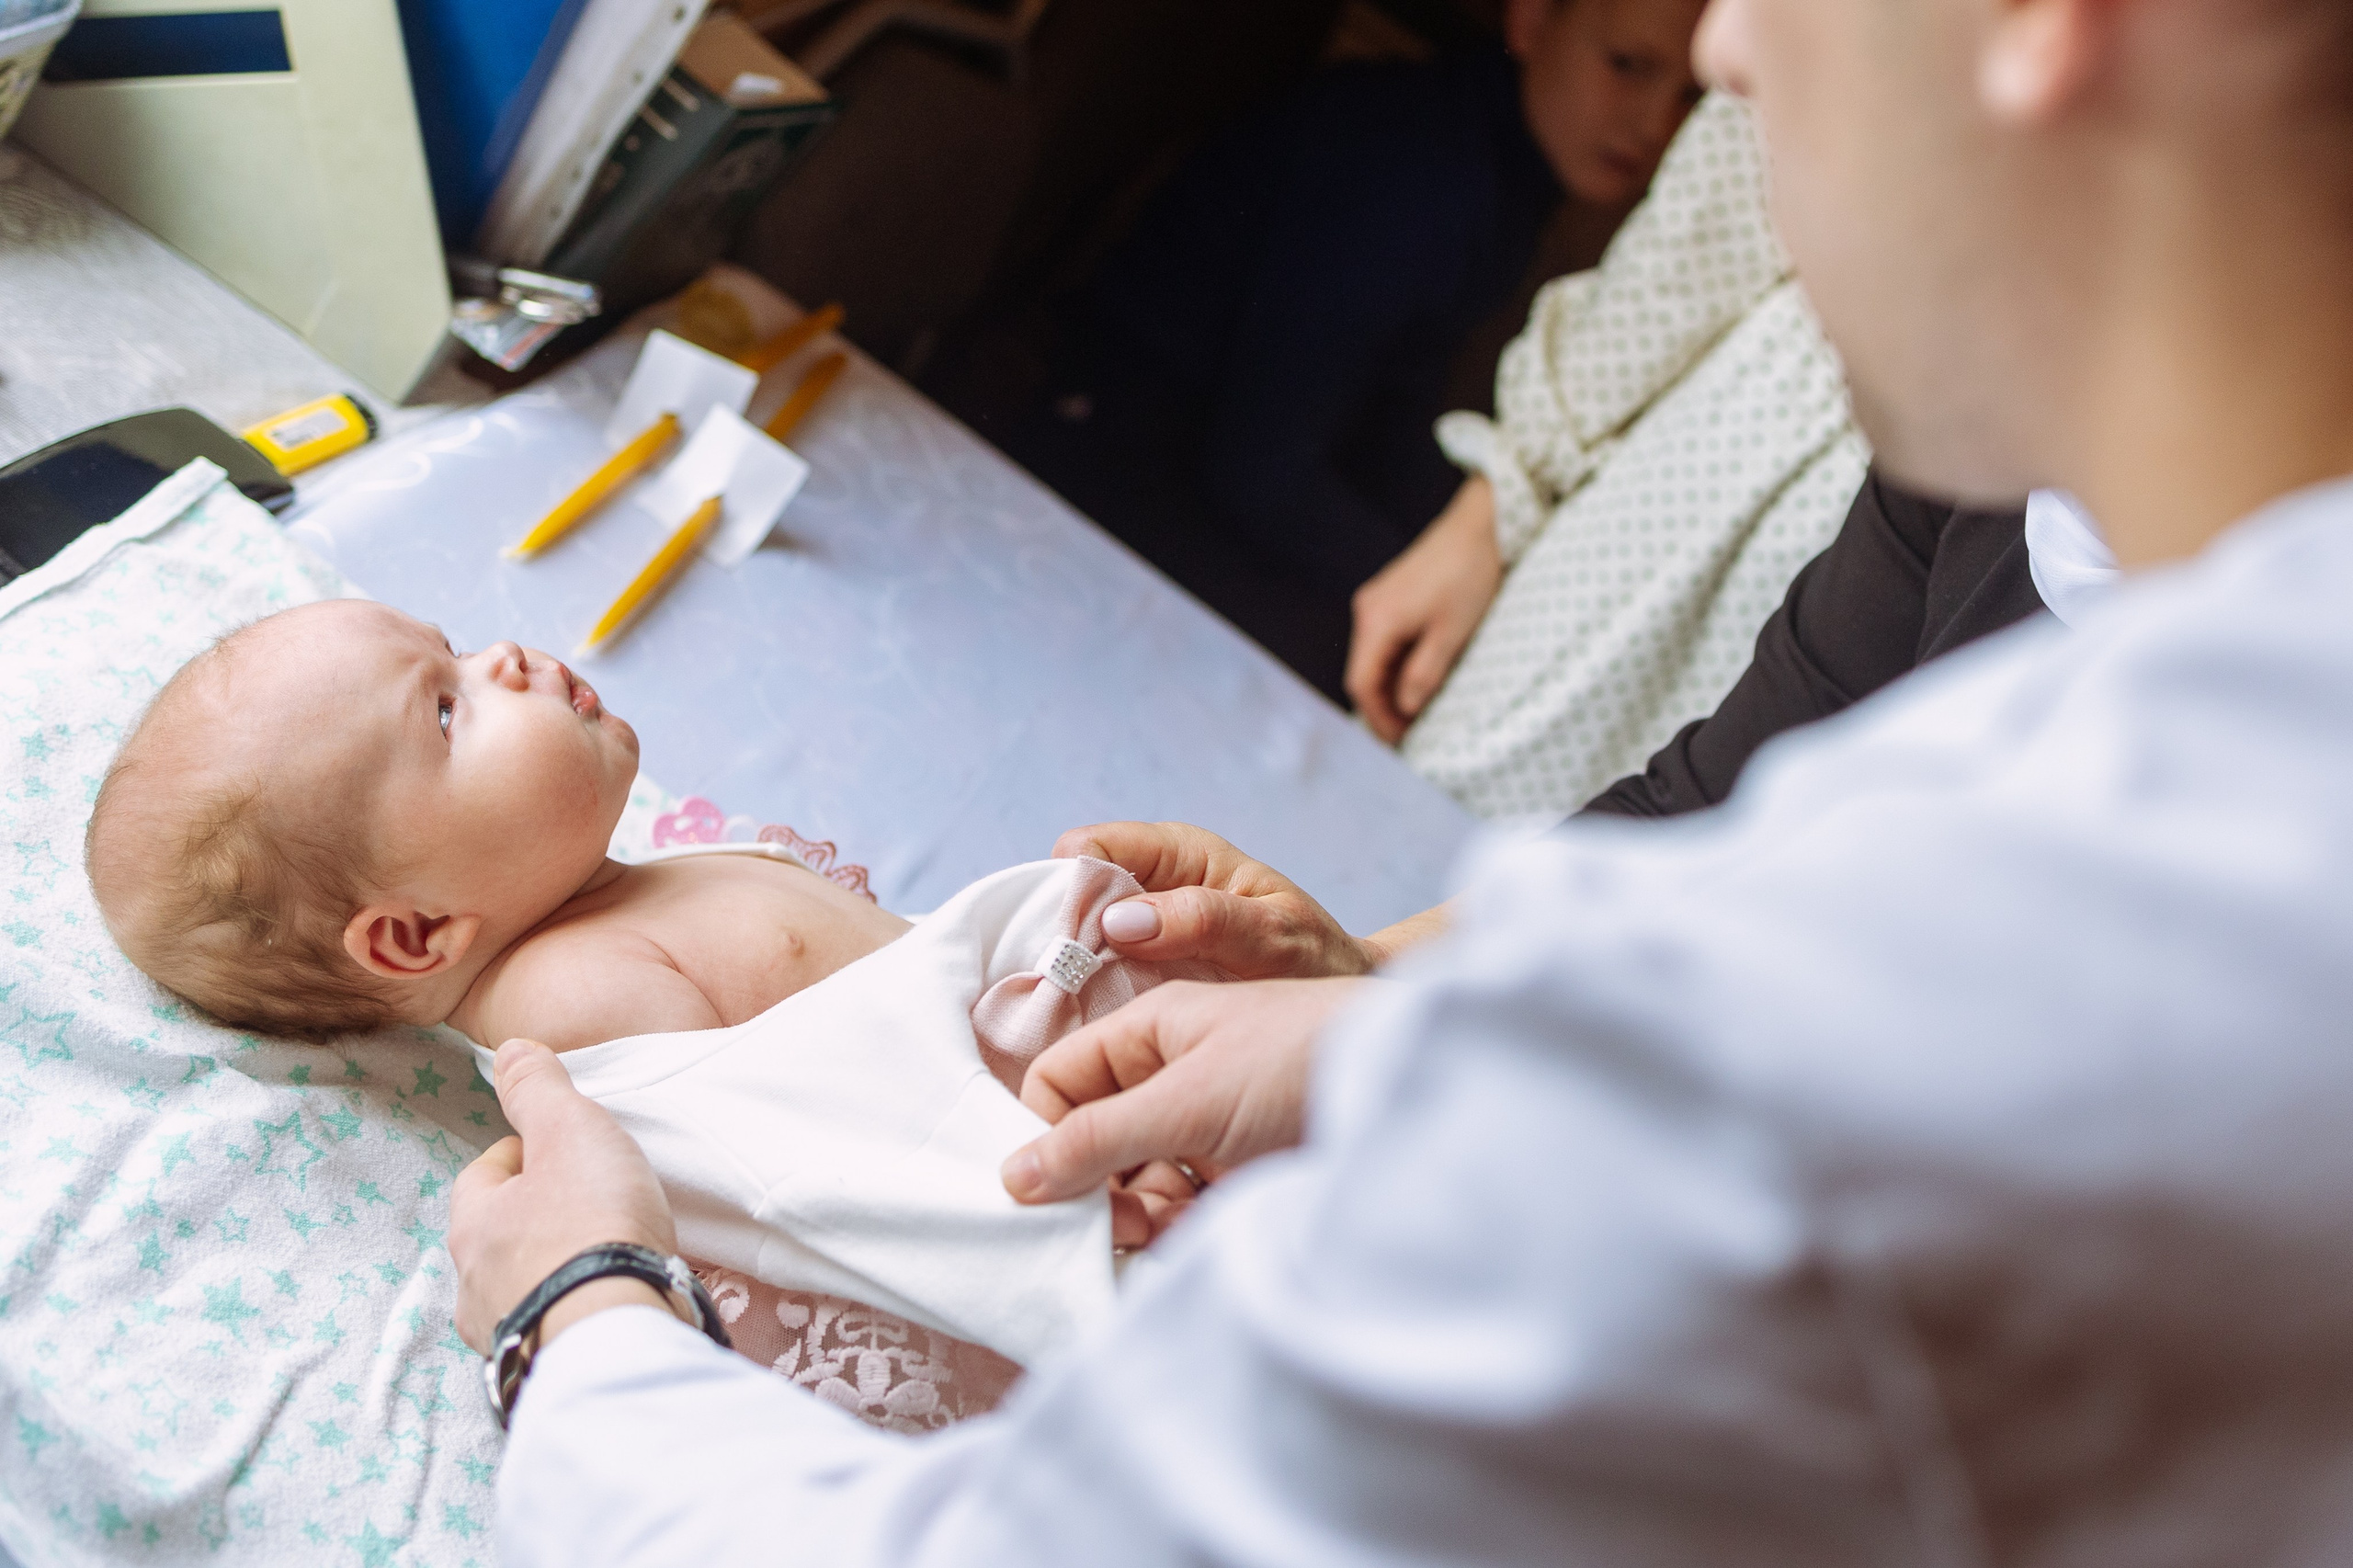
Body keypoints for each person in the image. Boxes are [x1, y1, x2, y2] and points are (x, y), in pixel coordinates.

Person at [456, 0, 2353, 1558]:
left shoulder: (1851, 1076)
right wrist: (1386, 991)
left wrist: (580, 1324)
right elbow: (1729, 787)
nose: (1729, 56)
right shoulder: (2026, 493)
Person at [82, 601, 1211, 1359]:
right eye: (444, 707)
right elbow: (811, 1166)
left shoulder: (618, 883)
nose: (506, 661)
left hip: (1125, 1059)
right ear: (415, 933)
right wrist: (1064, 1208)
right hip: (1082, 1168)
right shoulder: (568, 997)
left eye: (460, 647)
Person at [1011, 0, 1710, 699]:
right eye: (1627, 65)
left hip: (1201, 458)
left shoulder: (1494, 171)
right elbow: (1260, 467)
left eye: (1690, 96)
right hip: (1118, 460)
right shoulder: (1427, 174)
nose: (1656, 126)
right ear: (1530, 20)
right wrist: (1436, 586)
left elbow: (1387, 418)